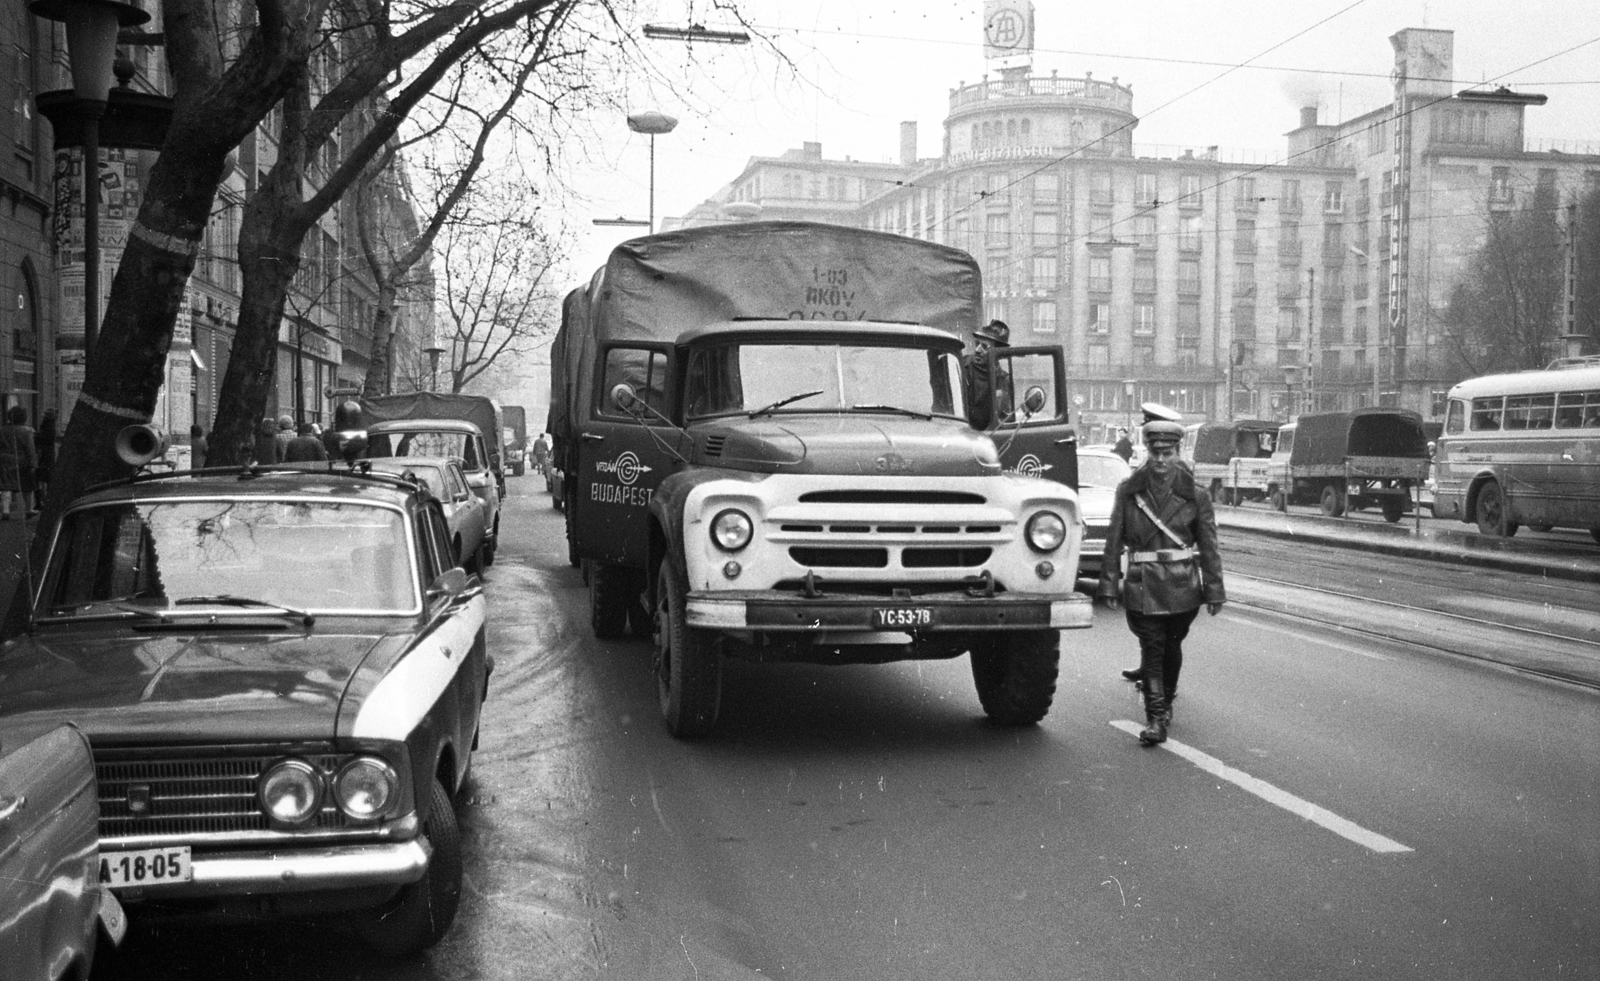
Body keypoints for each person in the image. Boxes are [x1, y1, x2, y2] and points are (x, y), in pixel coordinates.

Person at [1097, 405, 1226, 746]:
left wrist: (1214, 591)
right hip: (1142, 584)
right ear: (1146, 452)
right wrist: (1109, 583)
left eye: (1167, 453)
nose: (1160, 460)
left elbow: (1209, 546)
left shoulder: (1196, 495)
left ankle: (1166, 701)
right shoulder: (1128, 491)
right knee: (1152, 647)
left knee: (1171, 647)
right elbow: (1114, 539)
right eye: (1155, 452)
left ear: (1177, 453)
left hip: (1183, 585)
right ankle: (1156, 716)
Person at [962, 319, 1011, 430]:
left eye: (984, 347)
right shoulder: (961, 365)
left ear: (998, 353)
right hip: (961, 435)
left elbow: (1005, 419)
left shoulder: (1003, 380)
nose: (978, 350)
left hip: (988, 436)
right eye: (977, 344)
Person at [0, 405, 38, 519]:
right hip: (22, 461)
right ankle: (28, 509)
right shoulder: (26, 431)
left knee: (6, 485)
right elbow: (30, 448)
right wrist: (33, 463)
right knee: (27, 486)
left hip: (4, 460)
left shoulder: (2, 430)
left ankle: (5, 511)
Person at [35, 410, 57, 500]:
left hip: (45, 453)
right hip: (47, 453)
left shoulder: (48, 426)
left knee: (44, 474)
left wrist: (36, 436)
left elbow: (45, 438)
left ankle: (45, 496)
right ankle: (45, 495)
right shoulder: (50, 425)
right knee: (46, 474)